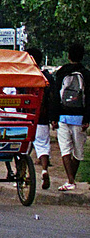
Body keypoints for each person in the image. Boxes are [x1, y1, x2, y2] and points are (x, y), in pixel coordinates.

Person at [51, 43, 90, 192]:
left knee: (65, 150)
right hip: (80, 117)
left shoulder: (61, 72)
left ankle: (70, 180)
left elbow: (55, 96)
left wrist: (53, 117)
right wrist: (87, 118)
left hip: (62, 116)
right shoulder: (86, 74)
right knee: (78, 152)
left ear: (68, 56)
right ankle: (71, 179)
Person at [25, 47, 56, 190]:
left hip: (26, 117)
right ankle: (44, 170)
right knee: (43, 145)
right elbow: (52, 98)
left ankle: (24, 175)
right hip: (42, 118)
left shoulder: (25, 76)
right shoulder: (47, 77)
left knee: (24, 149)